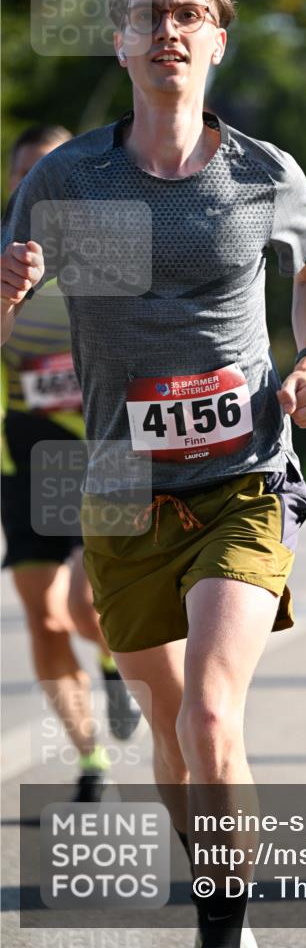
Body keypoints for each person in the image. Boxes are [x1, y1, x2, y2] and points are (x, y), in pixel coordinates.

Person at [1, 0, 306, 947]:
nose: (169, 30)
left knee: (207, 714)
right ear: (119, 40)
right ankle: (216, 886)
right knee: (163, 725)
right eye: (149, 14)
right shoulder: (67, 179)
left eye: (190, 13)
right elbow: (8, 322)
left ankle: (222, 931)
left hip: (242, 474)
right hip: (120, 486)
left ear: (216, 40)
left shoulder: (265, 172)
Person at [1, 125, 141, 802]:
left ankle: (115, 663)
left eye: (52, 171)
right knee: (45, 617)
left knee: (87, 604)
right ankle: (93, 760)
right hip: (20, 459)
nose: (41, 185)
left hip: (95, 452)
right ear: (13, 184)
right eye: (28, 174)